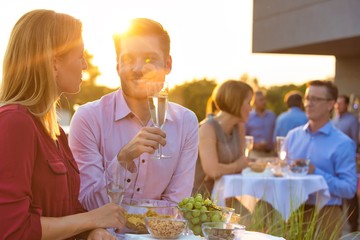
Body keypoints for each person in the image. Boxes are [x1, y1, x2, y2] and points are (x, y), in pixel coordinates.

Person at [0, 9, 125, 239]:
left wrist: (92, 231)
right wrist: (93, 218)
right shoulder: (14, 123)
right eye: (80, 56)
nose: (85, 65)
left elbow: (67, 211)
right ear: (55, 63)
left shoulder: (54, 131)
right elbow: (11, 230)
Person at [69, 18, 199, 211]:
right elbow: (87, 205)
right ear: (117, 66)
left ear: (168, 64)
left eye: (149, 59)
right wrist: (123, 160)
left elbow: (176, 207)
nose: (138, 69)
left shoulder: (186, 123)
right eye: (129, 59)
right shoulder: (88, 118)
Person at [285, 80, 357, 239]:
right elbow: (283, 172)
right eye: (307, 98)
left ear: (331, 104)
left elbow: (349, 188)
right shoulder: (292, 137)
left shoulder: (343, 143)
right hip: (291, 210)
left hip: (326, 213)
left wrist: (315, 172)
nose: (309, 104)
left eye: (315, 99)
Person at [193, 80, 252, 196]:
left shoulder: (239, 127)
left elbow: (242, 163)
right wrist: (238, 165)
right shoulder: (207, 128)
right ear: (236, 102)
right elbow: (212, 171)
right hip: (202, 199)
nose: (251, 109)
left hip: (228, 193)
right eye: (249, 102)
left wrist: (242, 164)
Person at [333, 94, 359, 232]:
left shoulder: (352, 120)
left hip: (347, 161)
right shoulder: (334, 120)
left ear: (347, 105)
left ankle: (353, 225)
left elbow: (355, 140)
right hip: (333, 161)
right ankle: (336, 223)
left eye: (341, 103)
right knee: (337, 193)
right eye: (337, 103)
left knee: (350, 194)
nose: (338, 106)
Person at [245, 90, 276, 157]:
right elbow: (244, 136)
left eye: (265, 99)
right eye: (261, 100)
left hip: (270, 154)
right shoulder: (248, 117)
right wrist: (254, 145)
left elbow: (276, 134)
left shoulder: (272, 116)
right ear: (254, 102)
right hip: (255, 154)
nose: (264, 102)